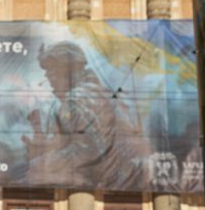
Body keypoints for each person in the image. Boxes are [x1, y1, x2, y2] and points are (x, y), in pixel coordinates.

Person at [22, 41, 147, 188]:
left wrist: (42, 161)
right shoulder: (99, 92)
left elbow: (87, 155)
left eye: (52, 71)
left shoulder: (77, 101)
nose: (48, 78)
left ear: (67, 70)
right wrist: (45, 145)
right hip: (124, 177)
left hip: (109, 182)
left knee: (33, 171)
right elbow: (73, 142)